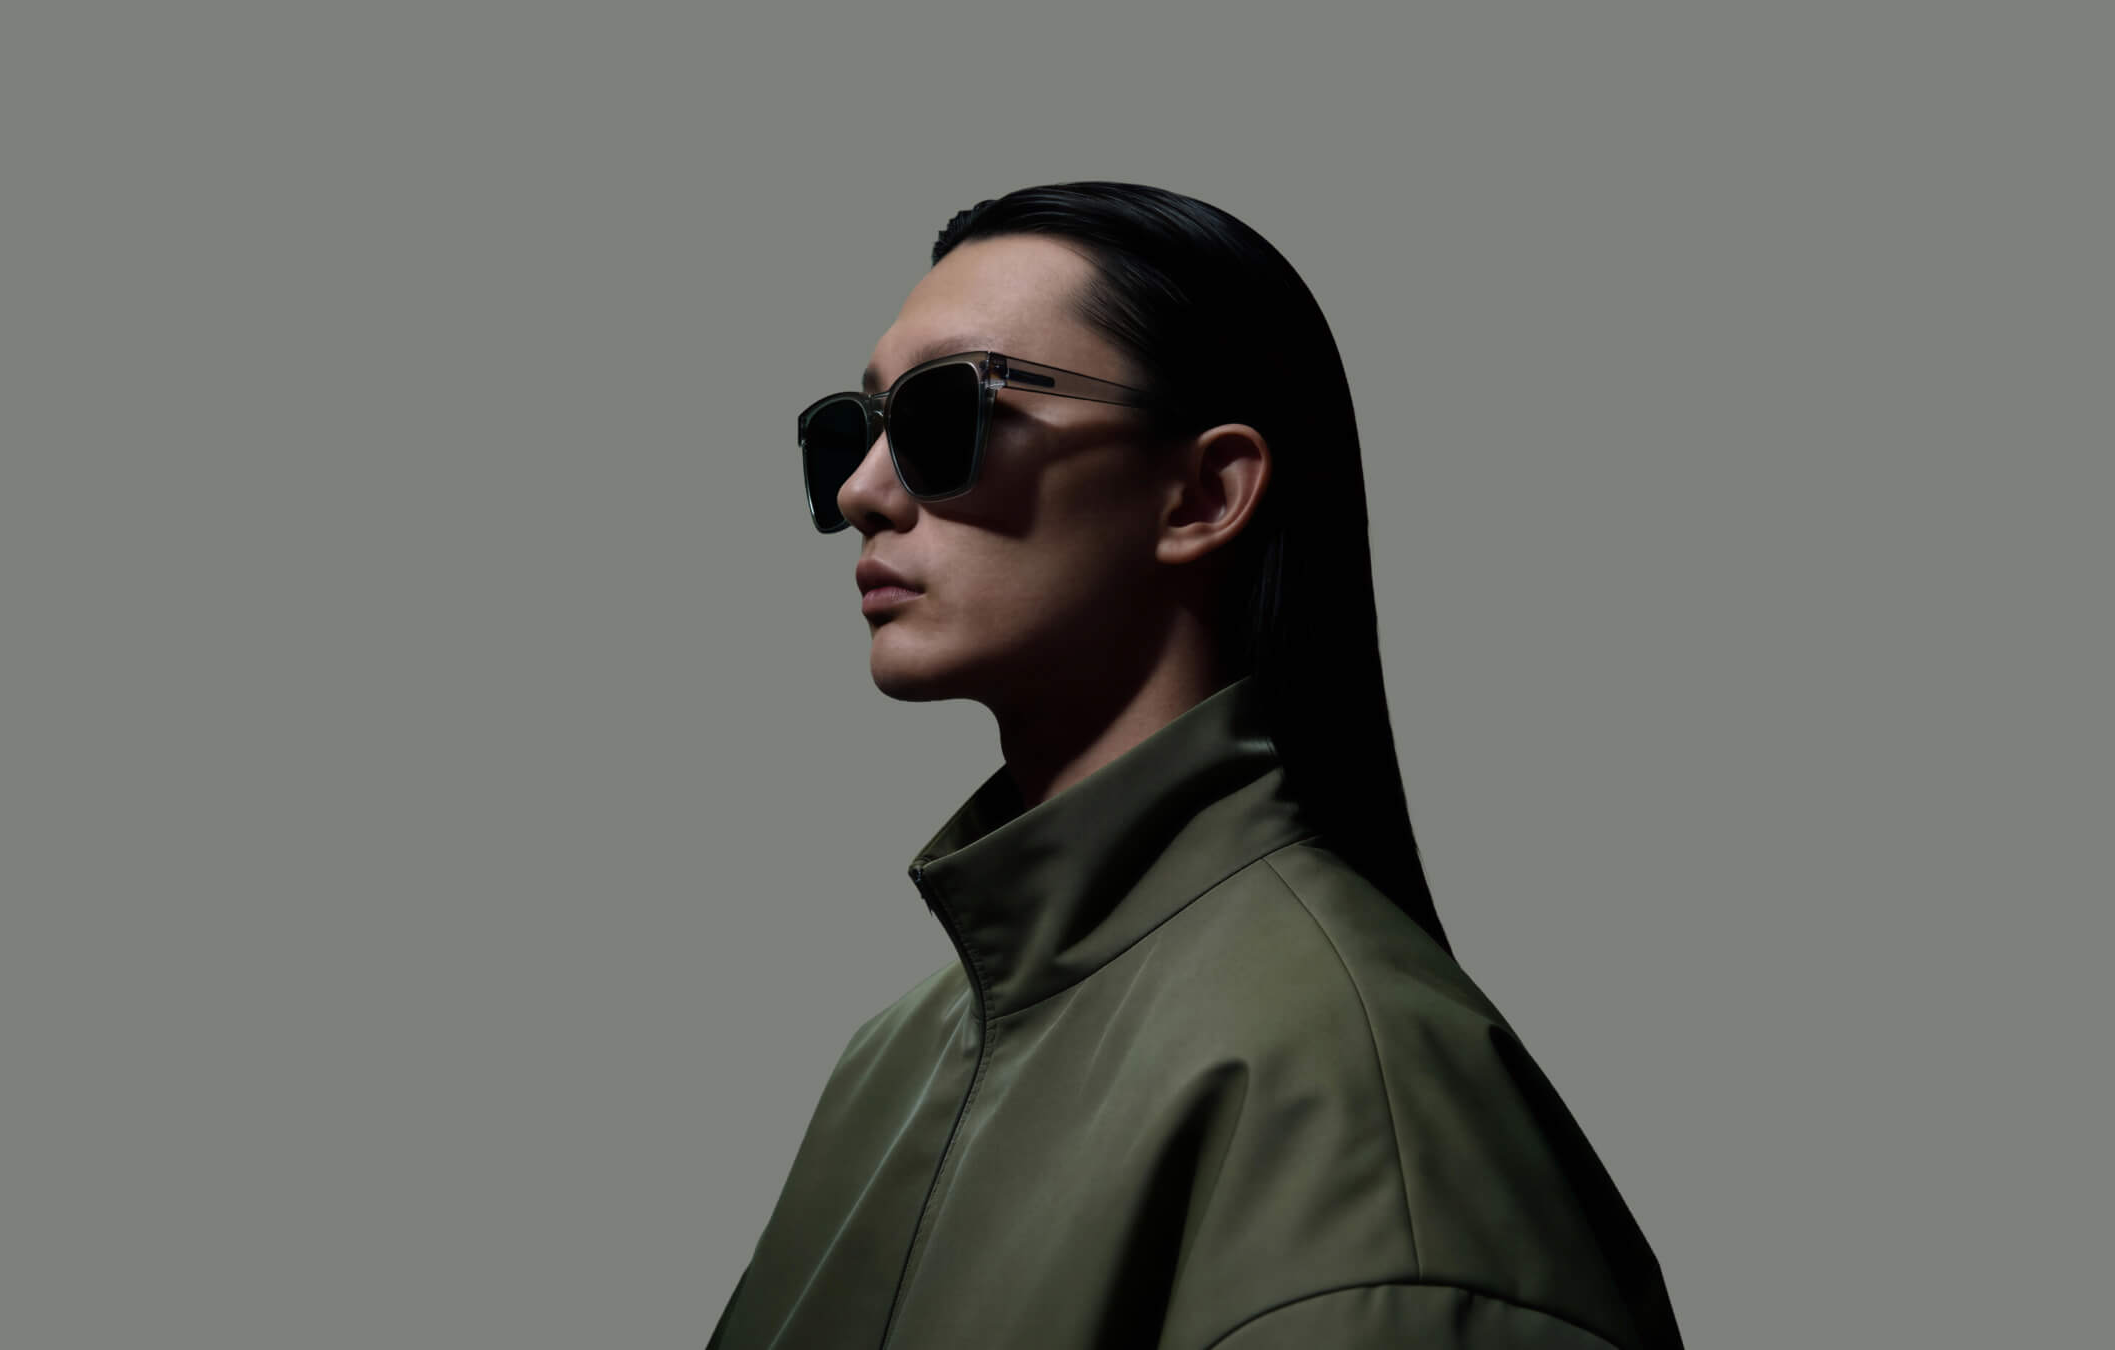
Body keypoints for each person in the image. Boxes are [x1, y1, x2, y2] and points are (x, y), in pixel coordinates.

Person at [708, 181, 1683, 1349]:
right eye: (853, 431)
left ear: (1205, 495)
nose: (863, 491)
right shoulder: (889, 1066)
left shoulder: (1348, 1097)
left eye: (943, 413)